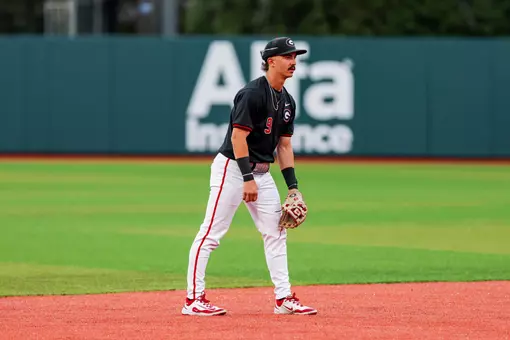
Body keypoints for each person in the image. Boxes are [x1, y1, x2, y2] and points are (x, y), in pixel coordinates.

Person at [181, 37, 317, 316]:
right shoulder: (252, 93)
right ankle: (193, 300)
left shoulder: (287, 100)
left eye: (295, 56)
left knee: (276, 233)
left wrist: (293, 188)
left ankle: (283, 299)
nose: (294, 61)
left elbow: (284, 145)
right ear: (271, 61)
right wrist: (246, 178)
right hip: (233, 168)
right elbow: (237, 137)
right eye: (288, 56)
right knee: (211, 233)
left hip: (263, 173)